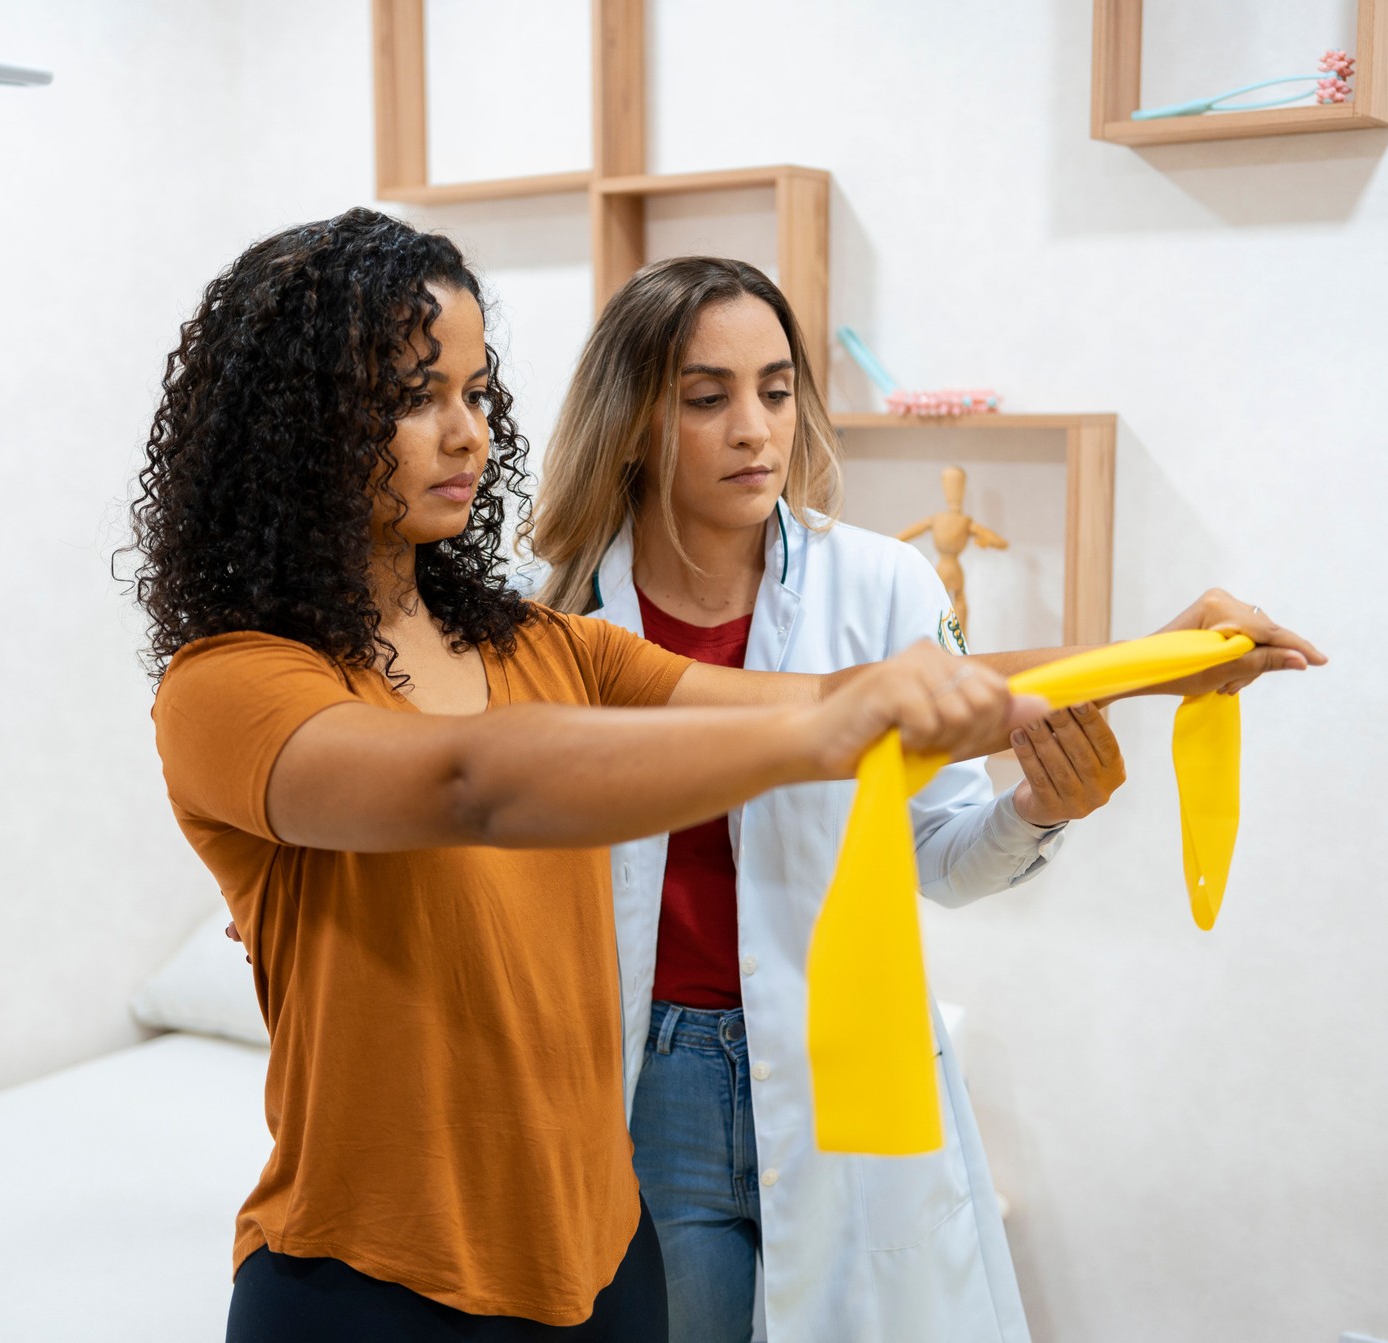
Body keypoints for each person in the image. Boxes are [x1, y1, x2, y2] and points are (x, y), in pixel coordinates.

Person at [125, 210, 1081, 1342]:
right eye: (412, 396)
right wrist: (832, 728)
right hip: (369, 1286)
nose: (464, 434)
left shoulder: (545, 646)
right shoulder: (232, 685)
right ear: (296, 428)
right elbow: (472, 784)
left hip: (604, 1269)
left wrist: (1171, 658)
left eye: (477, 395)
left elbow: (845, 692)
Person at [529, 256, 1325, 1343]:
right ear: (630, 423)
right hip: (642, 1083)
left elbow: (944, 855)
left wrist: (1042, 807)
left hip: (844, 1057)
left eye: (775, 388)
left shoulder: (882, 585)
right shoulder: (557, 623)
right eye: (707, 397)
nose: (757, 429)